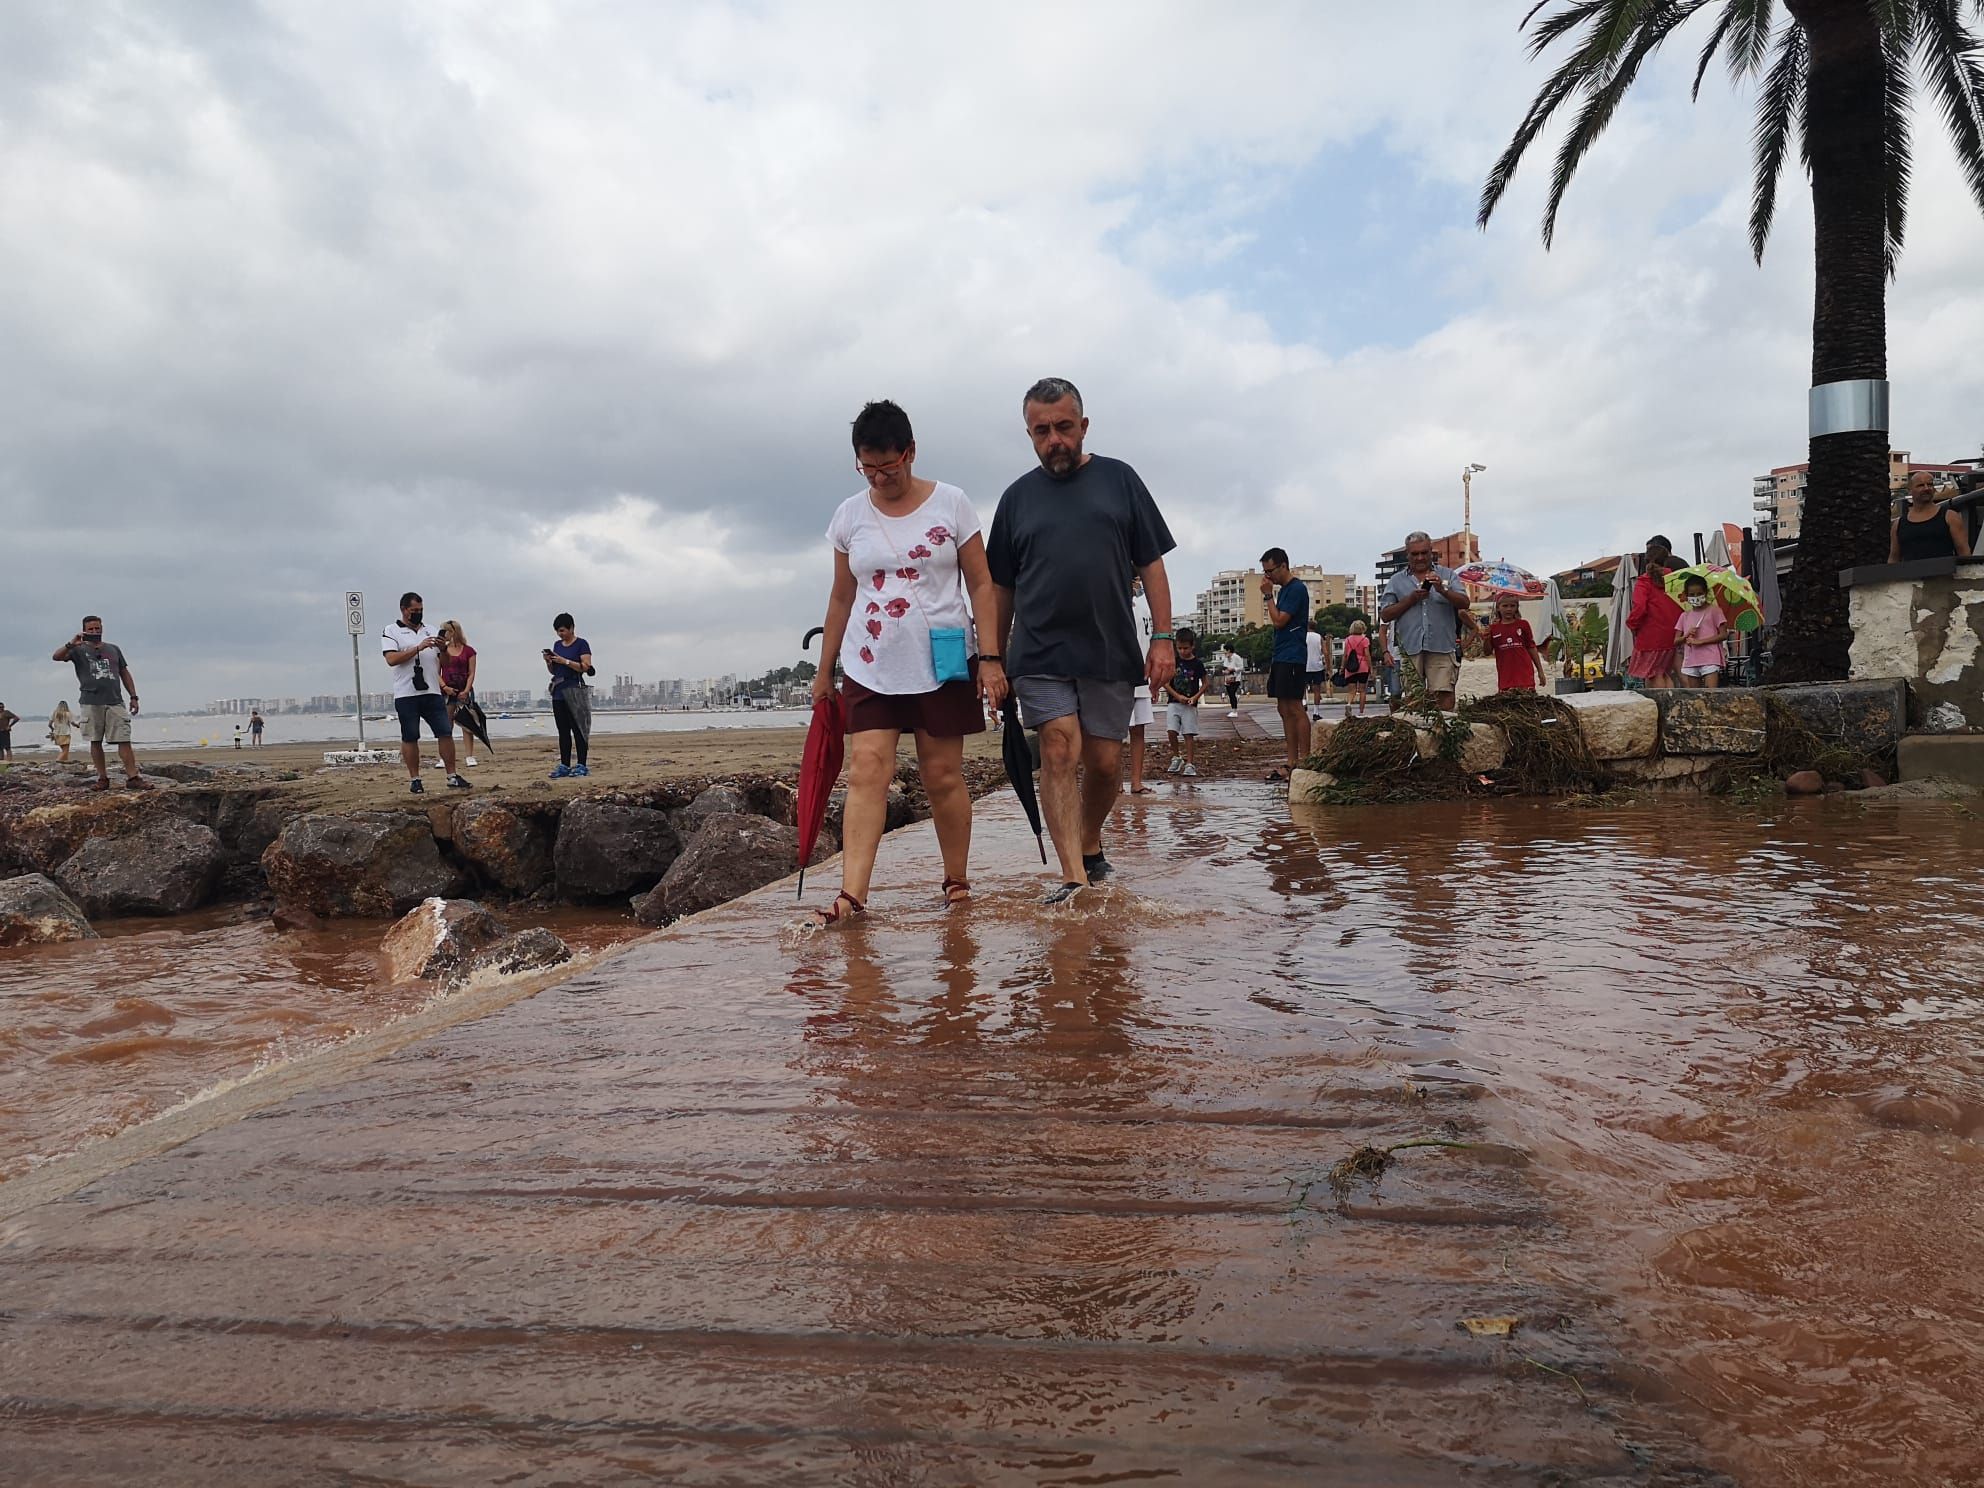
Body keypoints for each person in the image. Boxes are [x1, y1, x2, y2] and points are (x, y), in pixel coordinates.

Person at [809, 399, 1006, 926]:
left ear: (910, 453)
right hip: (871, 663)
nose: (878, 478)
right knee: (867, 768)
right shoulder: (849, 515)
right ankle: (852, 895)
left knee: (942, 774)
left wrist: (990, 658)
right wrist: (824, 671)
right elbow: (840, 597)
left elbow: (981, 583)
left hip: (942, 661)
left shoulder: (953, 503)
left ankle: (956, 880)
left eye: (888, 467)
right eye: (867, 468)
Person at [987, 377, 1175, 904]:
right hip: (1040, 649)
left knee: (1105, 761)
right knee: (1057, 745)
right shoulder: (1016, 499)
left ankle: (1089, 840)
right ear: (1029, 434)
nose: (1054, 440)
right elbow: (1000, 587)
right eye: (1041, 431)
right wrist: (991, 658)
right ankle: (1073, 877)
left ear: (1083, 426)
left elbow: (1152, 564)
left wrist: (1161, 637)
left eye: (1064, 428)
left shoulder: (1121, 481)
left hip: (1109, 646)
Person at [380, 592, 470, 795]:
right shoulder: (391, 630)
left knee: (445, 732)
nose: (418, 614)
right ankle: (415, 779)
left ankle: (452, 776)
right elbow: (392, 659)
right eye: (414, 611)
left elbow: (444, 664)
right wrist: (417, 648)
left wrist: (443, 650)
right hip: (406, 693)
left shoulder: (430, 630)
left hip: (432, 691)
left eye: (420, 610)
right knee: (410, 736)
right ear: (404, 610)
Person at [52, 616, 149, 790]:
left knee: (124, 739)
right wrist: (71, 643)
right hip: (90, 702)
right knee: (95, 741)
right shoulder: (78, 650)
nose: (95, 632)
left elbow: (124, 673)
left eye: (97, 628)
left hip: (115, 701)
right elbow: (56, 657)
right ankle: (102, 778)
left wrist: (133, 696)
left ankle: (133, 777)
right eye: (91, 629)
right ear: (84, 630)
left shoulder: (113, 649)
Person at [1379, 533, 1469, 711]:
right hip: (1411, 648)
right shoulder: (1396, 581)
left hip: (1442, 646)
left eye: (1424, 553)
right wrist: (1410, 599)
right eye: (1415, 554)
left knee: (1444, 695)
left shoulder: (1447, 575)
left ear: (1431, 552)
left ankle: (1444, 735)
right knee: (1414, 699)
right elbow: (1386, 615)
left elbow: (1464, 603)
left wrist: (1442, 591)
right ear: (1407, 554)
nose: (1420, 557)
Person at [1259, 548, 1310, 780]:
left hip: (1293, 655)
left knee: (1295, 707)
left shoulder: (1296, 589)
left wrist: (1268, 596)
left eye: (1270, 571)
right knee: (1283, 708)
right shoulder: (1287, 590)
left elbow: (1279, 620)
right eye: (1265, 572)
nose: (1268, 577)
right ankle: (1292, 761)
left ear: (1283, 566)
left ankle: (1305, 760)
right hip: (1281, 654)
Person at [1626, 536, 1684, 689]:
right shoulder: (1673, 580)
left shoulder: (1644, 582)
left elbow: (1639, 607)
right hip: (1672, 633)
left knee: (1654, 674)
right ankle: (1671, 705)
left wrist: (1632, 624)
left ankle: (1660, 708)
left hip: (1651, 635)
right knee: (1664, 672)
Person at [544, 614, 594, 777]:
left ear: (571, 628)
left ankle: (581, 764)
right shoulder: (557, 645)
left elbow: (586, 667)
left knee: (578, 728)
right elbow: (554, 670)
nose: (560, 634)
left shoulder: (581, 644)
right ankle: (564, 764)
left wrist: (565, 661)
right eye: (558, 632)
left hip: (575, 690)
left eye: (563, 631)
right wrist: (549, 661)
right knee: (563, 731)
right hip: (558, 692)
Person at [1890, 470, 1971, 562]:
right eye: (1920, 485)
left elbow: (1964, 552)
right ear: (1910, 491)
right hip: (1911, 575)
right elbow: (1893, 558)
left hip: (1944, 575)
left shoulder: (1950, 517)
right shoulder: (1898, 525)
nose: (1926, 488)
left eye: (1930, 484)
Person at [1124, 577, 1156, 795]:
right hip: (1121, 678)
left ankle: (1136, 781)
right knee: (1115, 734)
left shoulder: (1143, 611)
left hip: (1141, 679)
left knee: (1138, 732)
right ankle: (1115, 784)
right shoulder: (1115, 608)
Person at [1673, 575, 1732, 689]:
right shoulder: (1684, 616)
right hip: (1691, 659)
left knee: (1711, 693)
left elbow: (1723, 634)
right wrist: (1686, 636)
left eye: (1699, 594)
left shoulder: (1715, 611)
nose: (1696, 597)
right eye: (1692, 595)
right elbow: (1676, 640)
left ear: (1705, 593)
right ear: (1686, 595)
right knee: (1695, 696)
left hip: (1710, 658)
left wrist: (1701, 641)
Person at [1164, 627, 1207, 776]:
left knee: (1188, 734)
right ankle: (1176, 756)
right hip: (1174, 703)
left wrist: (1195, 697)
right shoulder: (1173, 662)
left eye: (1185, 648)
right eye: (1179, 648)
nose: (1182, 651)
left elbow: (1206, 683)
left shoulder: (1197, 664)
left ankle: (1190, 762)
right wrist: (1177, 696)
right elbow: (1166, 683)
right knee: (1171, 730)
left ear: (1192, 646)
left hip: (1190, 704)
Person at [436, 621, 480, 767]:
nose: (444, 634)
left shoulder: (469, 651)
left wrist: (467, 690)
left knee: (467, 724)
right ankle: (444, 757)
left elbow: (472, 672)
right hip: (448, 691)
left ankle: (469, 755)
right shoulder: (442, 651)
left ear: (453, 632)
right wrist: (444, 686)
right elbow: (436, 673)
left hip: (464, 690)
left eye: (446, 631)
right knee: (446, 725)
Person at [1487, 595, 1547, 693]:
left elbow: (1531, 648)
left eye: (1512, 606)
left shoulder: (1523, 624)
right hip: (1505, 676)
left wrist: (1540, 671)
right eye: (1505, 606)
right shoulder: (1493, 628)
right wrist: (1486, 638)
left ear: (1517, 608)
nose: (1509, 609)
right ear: (1498, 608)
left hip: (1525, 674)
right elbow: (1487, 651)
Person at [1341, 620, 1373, 716]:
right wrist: (1370, 667)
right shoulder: (1365, 640)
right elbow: (1367, 654)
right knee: (1362, 690)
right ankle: (1361, 711)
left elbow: (1345, 655)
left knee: (1352, 690)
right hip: (1363, 666)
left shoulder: (1347, 640)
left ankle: (1349, 703)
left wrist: (1342, 667)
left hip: (1351, 667)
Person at [1305, 626, 1327, 712]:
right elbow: (1325, 652)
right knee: (1317, 690)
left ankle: (1304, 704)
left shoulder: (1303, 636)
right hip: (1317, 666)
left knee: (1303, 688)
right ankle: (1316, 712)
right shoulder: (1319, 637)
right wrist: (1327, 666)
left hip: (1305, 666)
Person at [1221, 644, 1245, 717]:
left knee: (1232, 693)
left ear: (1228, 650)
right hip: (1228, 679)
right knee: (1230, 694)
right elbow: (1225, 667)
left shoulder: (1236, 657)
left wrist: (1233, 669)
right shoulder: (1226, 658)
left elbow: (1241, 667)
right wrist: (1224, 671)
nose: (1224, 652)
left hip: (1236, 679)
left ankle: (1234, 711)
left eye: (1225, 650)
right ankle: (1233, 708)